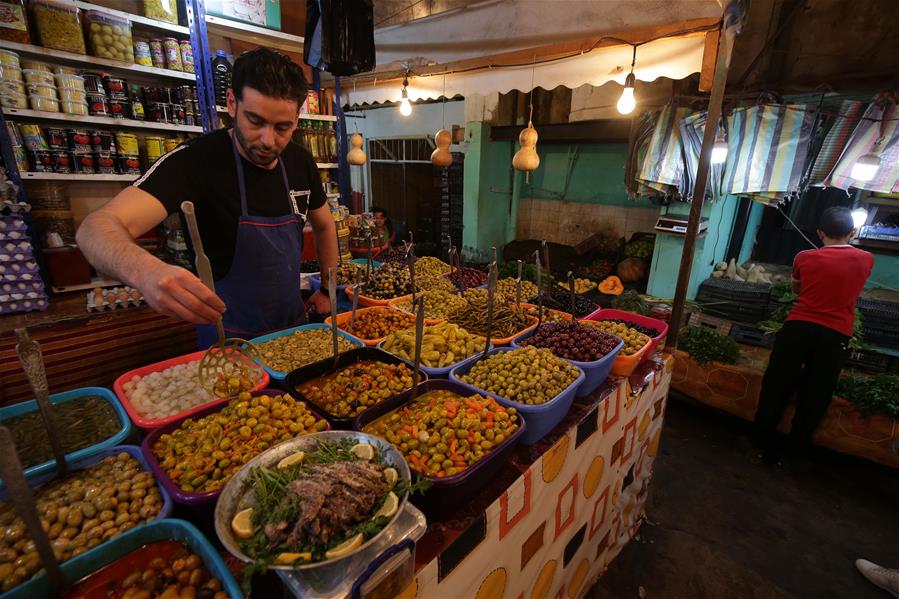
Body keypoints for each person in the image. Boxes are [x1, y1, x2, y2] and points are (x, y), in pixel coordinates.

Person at [77, 48, 337, 347]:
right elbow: (95, 228)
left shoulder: (300, 161)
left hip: (293, 331)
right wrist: (144, 271)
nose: (268, 140)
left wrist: (328, 290)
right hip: (228, 341)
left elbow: (325, 226)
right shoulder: (195, 161)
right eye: (255, 121)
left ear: (297, 117)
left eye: (282, 127)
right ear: (231, 103)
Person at [752, 206, 874, 462]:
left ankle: (761, 441)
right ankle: (796, 450)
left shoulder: (804, 257)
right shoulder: (866, 258)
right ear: (853, 232)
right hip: (836, 334)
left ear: (820, 233)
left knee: (777, 382)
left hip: (798, 326)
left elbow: (797, 289)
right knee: (817, 391)